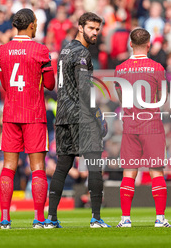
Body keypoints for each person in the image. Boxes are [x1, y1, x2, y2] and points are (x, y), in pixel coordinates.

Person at [46, 12, 110, 228]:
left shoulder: (65, 49)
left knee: (63, 166)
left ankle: (51, 218)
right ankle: (96, 218)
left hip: (62, 114)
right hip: (80, 116)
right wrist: (97, 115)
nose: (95, 33)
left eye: (97, 29)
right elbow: (84, 89)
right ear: (80, 27)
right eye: (91, 28)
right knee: (93, 165)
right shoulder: (82, 53)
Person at [0, 8, 55, 229]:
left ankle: (4, 218)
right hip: (34, 113)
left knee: (8, 167)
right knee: (38, 167)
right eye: (36, 23)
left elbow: (4, 83)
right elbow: (49, 84)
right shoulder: (40, 50)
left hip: (11, 113)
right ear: (31, 25)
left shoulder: (3, 50)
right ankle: (39, 218)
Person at [114, 28, 171, 228]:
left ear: (130, 44)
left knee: (129, 173)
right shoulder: (157, 67)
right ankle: (160, 219)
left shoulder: (120, 69)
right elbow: (161, 97)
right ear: (149, 44)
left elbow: (121, 97)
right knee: (156, 171)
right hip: (152, 125)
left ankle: (125, 219)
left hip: (130, 124)